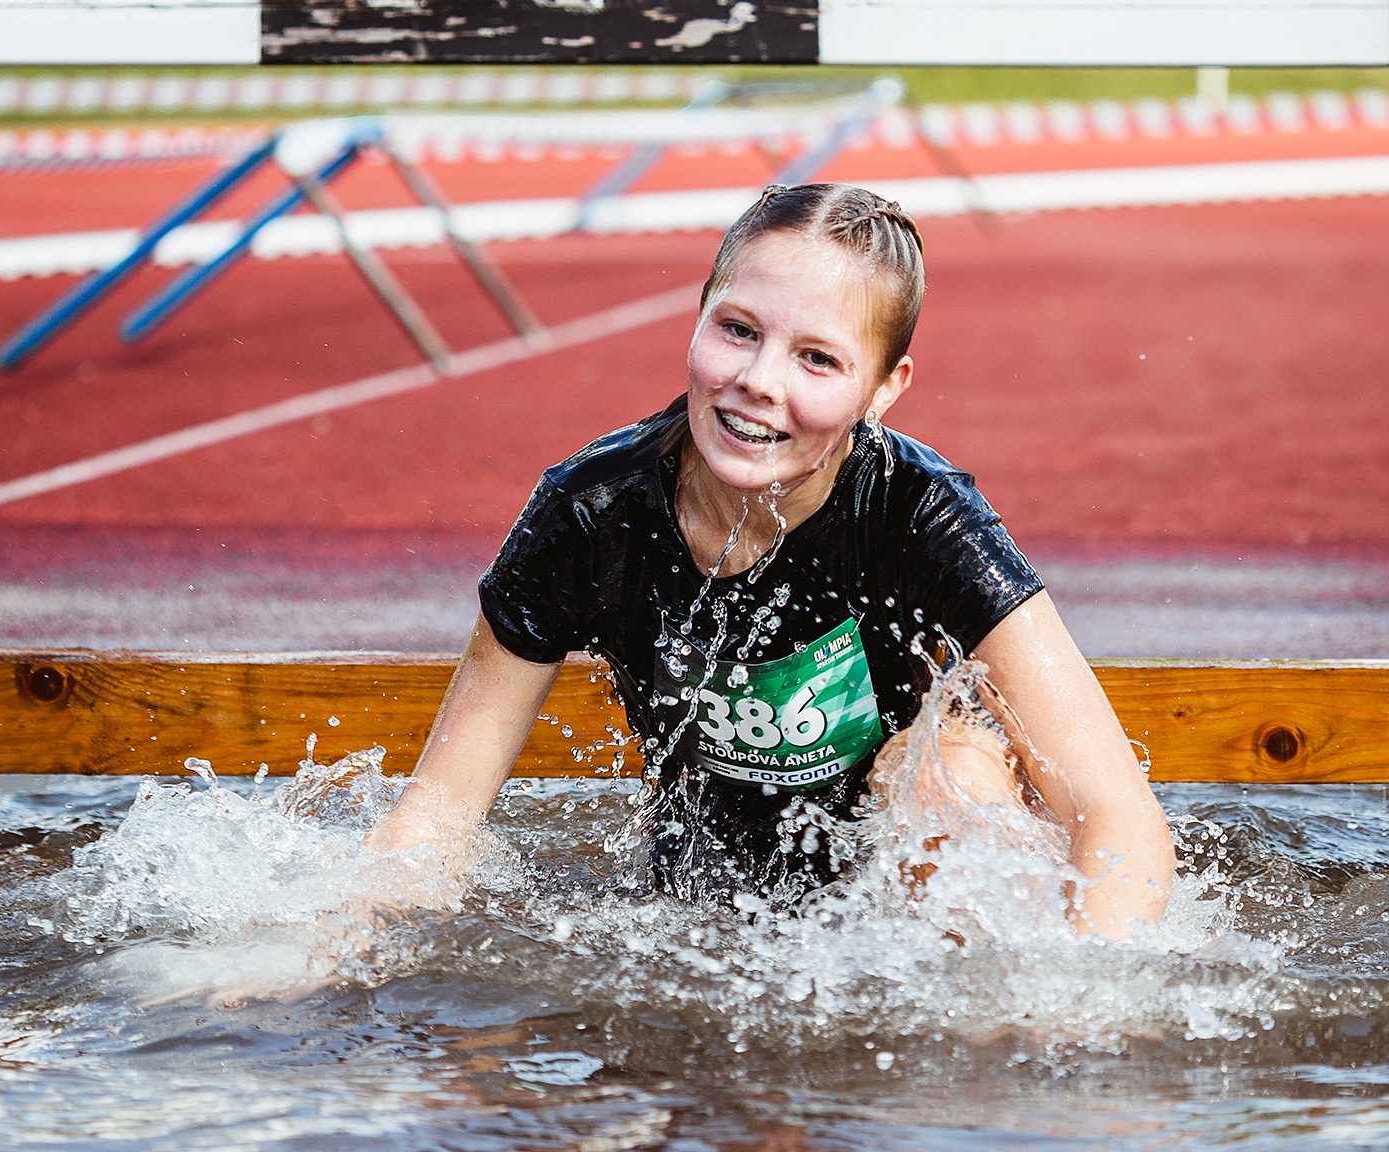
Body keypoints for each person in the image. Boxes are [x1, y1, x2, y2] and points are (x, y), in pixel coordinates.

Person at [365, 183, 1175, 936]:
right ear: (700, 316)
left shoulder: (920, 516)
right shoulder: (592, 513)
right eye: (739, 330)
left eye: (817, 359)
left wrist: (1068, 1023)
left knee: (953, 768)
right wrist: (328, 953)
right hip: (699, 906)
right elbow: (439, 811)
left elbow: (1120, 822)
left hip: (913, 909)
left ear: (884, 390)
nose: (758, 381)